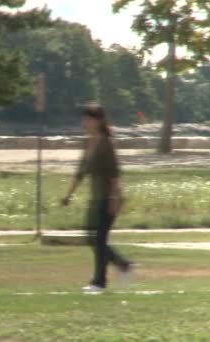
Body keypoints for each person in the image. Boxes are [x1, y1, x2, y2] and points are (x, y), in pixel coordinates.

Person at [62, 103, 133, 293]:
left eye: (90, 118)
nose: (86, 122)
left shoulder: (106, 143)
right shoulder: (87, 142)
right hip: (95, 199)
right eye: (85, 118)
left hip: (108, 197)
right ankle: (121, 267)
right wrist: (69, 195)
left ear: (99, 120)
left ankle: (100, 281)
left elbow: (115, 174)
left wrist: (116, 198)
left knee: (99, 239)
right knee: (92, 238)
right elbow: (80, 172)